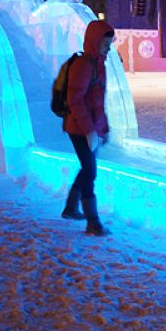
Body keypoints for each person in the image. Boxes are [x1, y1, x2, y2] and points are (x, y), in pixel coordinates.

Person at [62, 20, 114, 235]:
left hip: (91, 128)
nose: (108, 48)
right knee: (90, 171)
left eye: (109, 44)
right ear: (94, 42)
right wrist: (89, 130)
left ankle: (71, 208)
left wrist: (104, 127)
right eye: (105, 44)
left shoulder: (98, 64)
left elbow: (98, 99)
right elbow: (75, 100)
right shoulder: (84, 65)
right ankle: (93, 222)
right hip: (79, 129)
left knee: (87, 169)